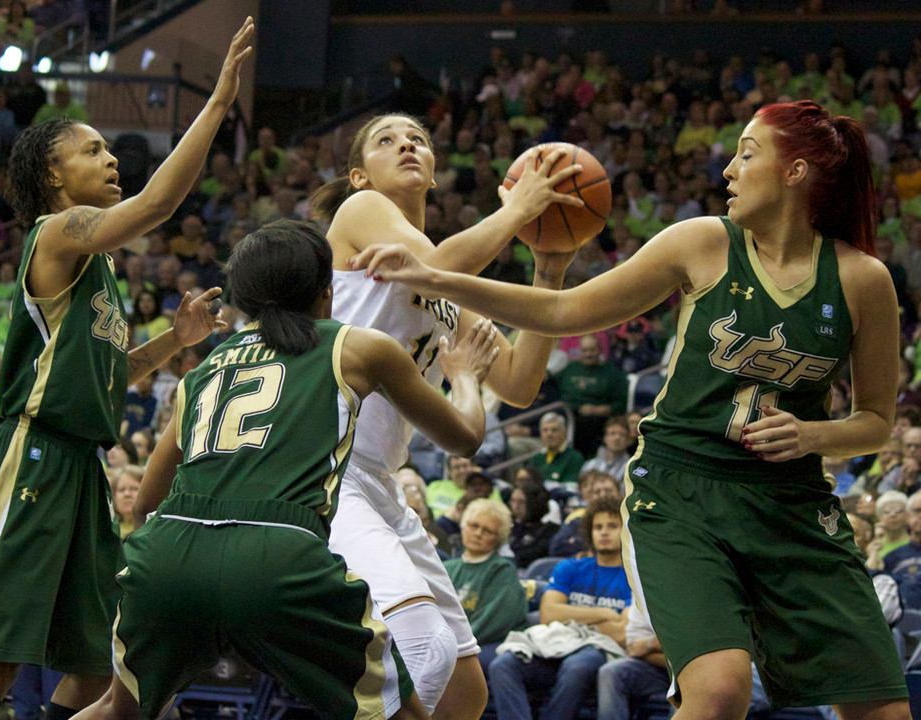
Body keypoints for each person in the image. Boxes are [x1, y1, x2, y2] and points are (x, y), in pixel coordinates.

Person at [355, 100, 910, 718]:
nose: (728, 169)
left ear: (796, 171)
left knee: (883, 708)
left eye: (747, 153)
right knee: (720, 690)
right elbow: (568, 313)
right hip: (682, 491)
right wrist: (442, 276)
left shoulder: (865, 280)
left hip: (792, 504)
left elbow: (877, 422)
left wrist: (812, 434)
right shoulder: (701, 241)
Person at [0, 19, 254, 720]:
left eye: (109, 149)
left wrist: (175, 340)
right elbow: (159, 203)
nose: (111, 160)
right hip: (33, 455)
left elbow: (106, 376)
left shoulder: (96, 261)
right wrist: (219, 102)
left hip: (81, 466)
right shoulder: (55, 233)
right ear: (52, 174)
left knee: (90, 661)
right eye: (93, 149)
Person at [72, 218, 498, 720]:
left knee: (112, 712)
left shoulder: (203, 371)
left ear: (242, 301)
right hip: (279, 555)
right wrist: (465, 378)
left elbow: (145, 504)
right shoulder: (357, 346)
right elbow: (465, 437)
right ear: (327, 293)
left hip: (169, 554)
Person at [310, 113, 585, 720]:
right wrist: (519, 212)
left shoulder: (448, 283)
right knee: (423, 656)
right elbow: (431, 265)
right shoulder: (360, 211)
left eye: (419, 139)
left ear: (434, 171)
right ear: (360, 173)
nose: (407, 143)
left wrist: (549, 268)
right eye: (387, 140)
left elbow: (516, 383)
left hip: (381, 483)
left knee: (465, 691)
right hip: (328, 472)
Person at [488, 497, 630, 720]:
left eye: (613, 526)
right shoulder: (569, 567)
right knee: (503, 665)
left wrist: (571, 616)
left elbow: (623, 632)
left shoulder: (634, 578)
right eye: (598, 526)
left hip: (598, 652)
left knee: (577, 666)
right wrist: (605, 614)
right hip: (555, 644)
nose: (604, 532)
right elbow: (549, 614)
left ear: (625, 531)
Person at [442, 498, 526, 674]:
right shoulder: (446, 568)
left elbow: (492, 622)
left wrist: (450, 648)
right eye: (474, 525)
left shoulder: (502, 569)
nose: (478, 533)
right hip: (448, 646)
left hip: (486, 645)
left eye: (487, 531)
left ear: (499, 540)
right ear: (463, 526)